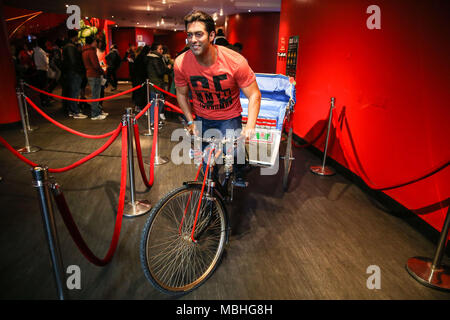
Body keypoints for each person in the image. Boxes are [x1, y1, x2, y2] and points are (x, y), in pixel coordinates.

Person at [174, 11, 261, 187]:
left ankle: (239, 172)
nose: (193, 40)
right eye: (189, 35)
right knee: (207, 166)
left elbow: (254, 94)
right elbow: (181, 94)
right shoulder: (181, 63)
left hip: (229, 118)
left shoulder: (235, 61)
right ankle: (212, 198)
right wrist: (191, 122)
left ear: (212, 35)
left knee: (235, 155)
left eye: (199, 34)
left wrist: (250, 127)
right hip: (203, 119)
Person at [61, 29, 88, 119]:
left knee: (72, 92)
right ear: (75, 36)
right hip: (74, 73)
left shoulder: (66, 46)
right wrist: (79, 72)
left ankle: (72, 110)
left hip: (70, 72)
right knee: (74, 92)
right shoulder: (70, 47)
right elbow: (73, 61)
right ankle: (75, 111)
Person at [82, 36, 107, 120]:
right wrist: (102, 72)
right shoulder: (91, 51)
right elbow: (96, 65)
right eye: (96, 41)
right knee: (96, 95)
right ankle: (95, 114)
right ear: (93, 42)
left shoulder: (84, 51)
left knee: (95, 94)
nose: (97, 43)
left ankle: (97, 112)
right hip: (94, 74)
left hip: (89, 74)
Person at [147, 42, 172, 125]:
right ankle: (153, 122)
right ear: (155, 50)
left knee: (159, 102)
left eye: (162, 49)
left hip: (156, 84)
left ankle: (155, 120)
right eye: (160, 49)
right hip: (155, 84)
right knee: (155, 103)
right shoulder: (155, 59)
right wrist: (167, 68)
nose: (162, 50)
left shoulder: (153, 57)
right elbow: (160, 72)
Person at [32, 38, 51, 107]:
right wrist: (48, 57)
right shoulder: (41, 52)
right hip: (43, 70)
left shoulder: (35, 51)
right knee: (45, 87)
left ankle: (43, 101)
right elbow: (46, 62)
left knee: (41, 87)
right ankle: (46, 101)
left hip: (38, 70)